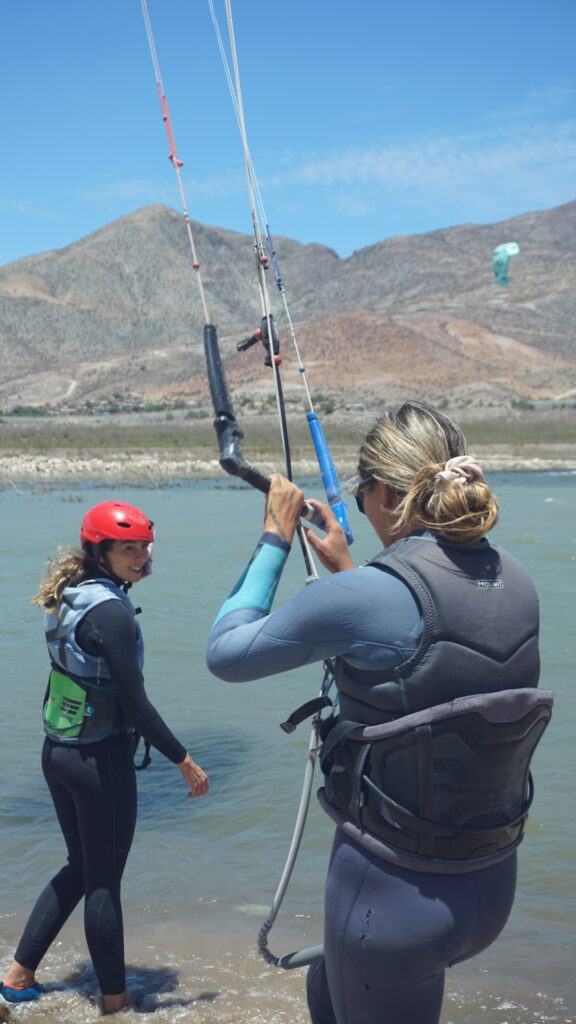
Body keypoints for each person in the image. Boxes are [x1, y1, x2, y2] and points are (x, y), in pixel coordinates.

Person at [205, 401, 551, 1024]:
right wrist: (348, 571)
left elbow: (227, 654)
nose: (360, 503)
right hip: (491, 882)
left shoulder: (361, 596)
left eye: (363, 490)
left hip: (391, 901)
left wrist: (275, 536)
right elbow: (430, 654)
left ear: (386, 493)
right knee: (326, 993)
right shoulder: (517, 579)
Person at [0, 500, 209, 1014]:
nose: (142, 558)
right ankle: (116, 1002)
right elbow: (136, 704)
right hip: (99, 764)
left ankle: (19, 977)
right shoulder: (111, 612)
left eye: (145, 547)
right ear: (99, 552)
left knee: (82, 866)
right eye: (128, 549)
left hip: (60, 753)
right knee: (103, 882)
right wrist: (182, 758)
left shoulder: (72, 595)